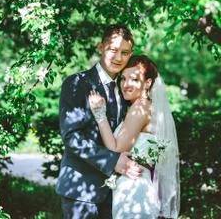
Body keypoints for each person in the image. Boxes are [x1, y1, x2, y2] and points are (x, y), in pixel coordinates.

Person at [56, 24, 143, 219]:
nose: (119, 57)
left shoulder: (124, 88)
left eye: (125, 52)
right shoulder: (77, 83)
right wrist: (113, 161)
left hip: (116, 192)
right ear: (100, 47)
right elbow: (72, 137)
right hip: (81, 191)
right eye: (113, 50)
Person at [89, 55, 180, 219]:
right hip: (134, 185)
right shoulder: (146, 106)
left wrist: (99, 114)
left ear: (148, 83)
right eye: (123, 79)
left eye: (134, 79)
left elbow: (116, 149)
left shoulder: (141, 107)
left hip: (134, 189)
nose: (126, 84)